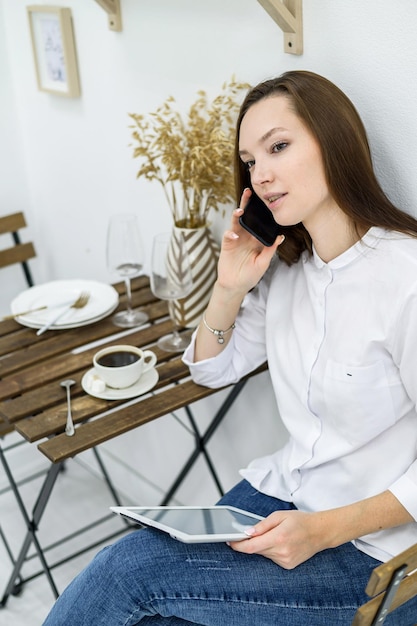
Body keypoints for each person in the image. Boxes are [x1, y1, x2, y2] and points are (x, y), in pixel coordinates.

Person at [43, 70, 417, 625]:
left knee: (127, 574)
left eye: (279, 147)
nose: (261, 175)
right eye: (250, 161)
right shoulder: (290, 266)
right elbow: (211, 372)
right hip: (284, 492)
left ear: (335, 143)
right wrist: (229, 287)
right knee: (151, 612)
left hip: (370, 548)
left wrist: (322, 530)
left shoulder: (405, 276)